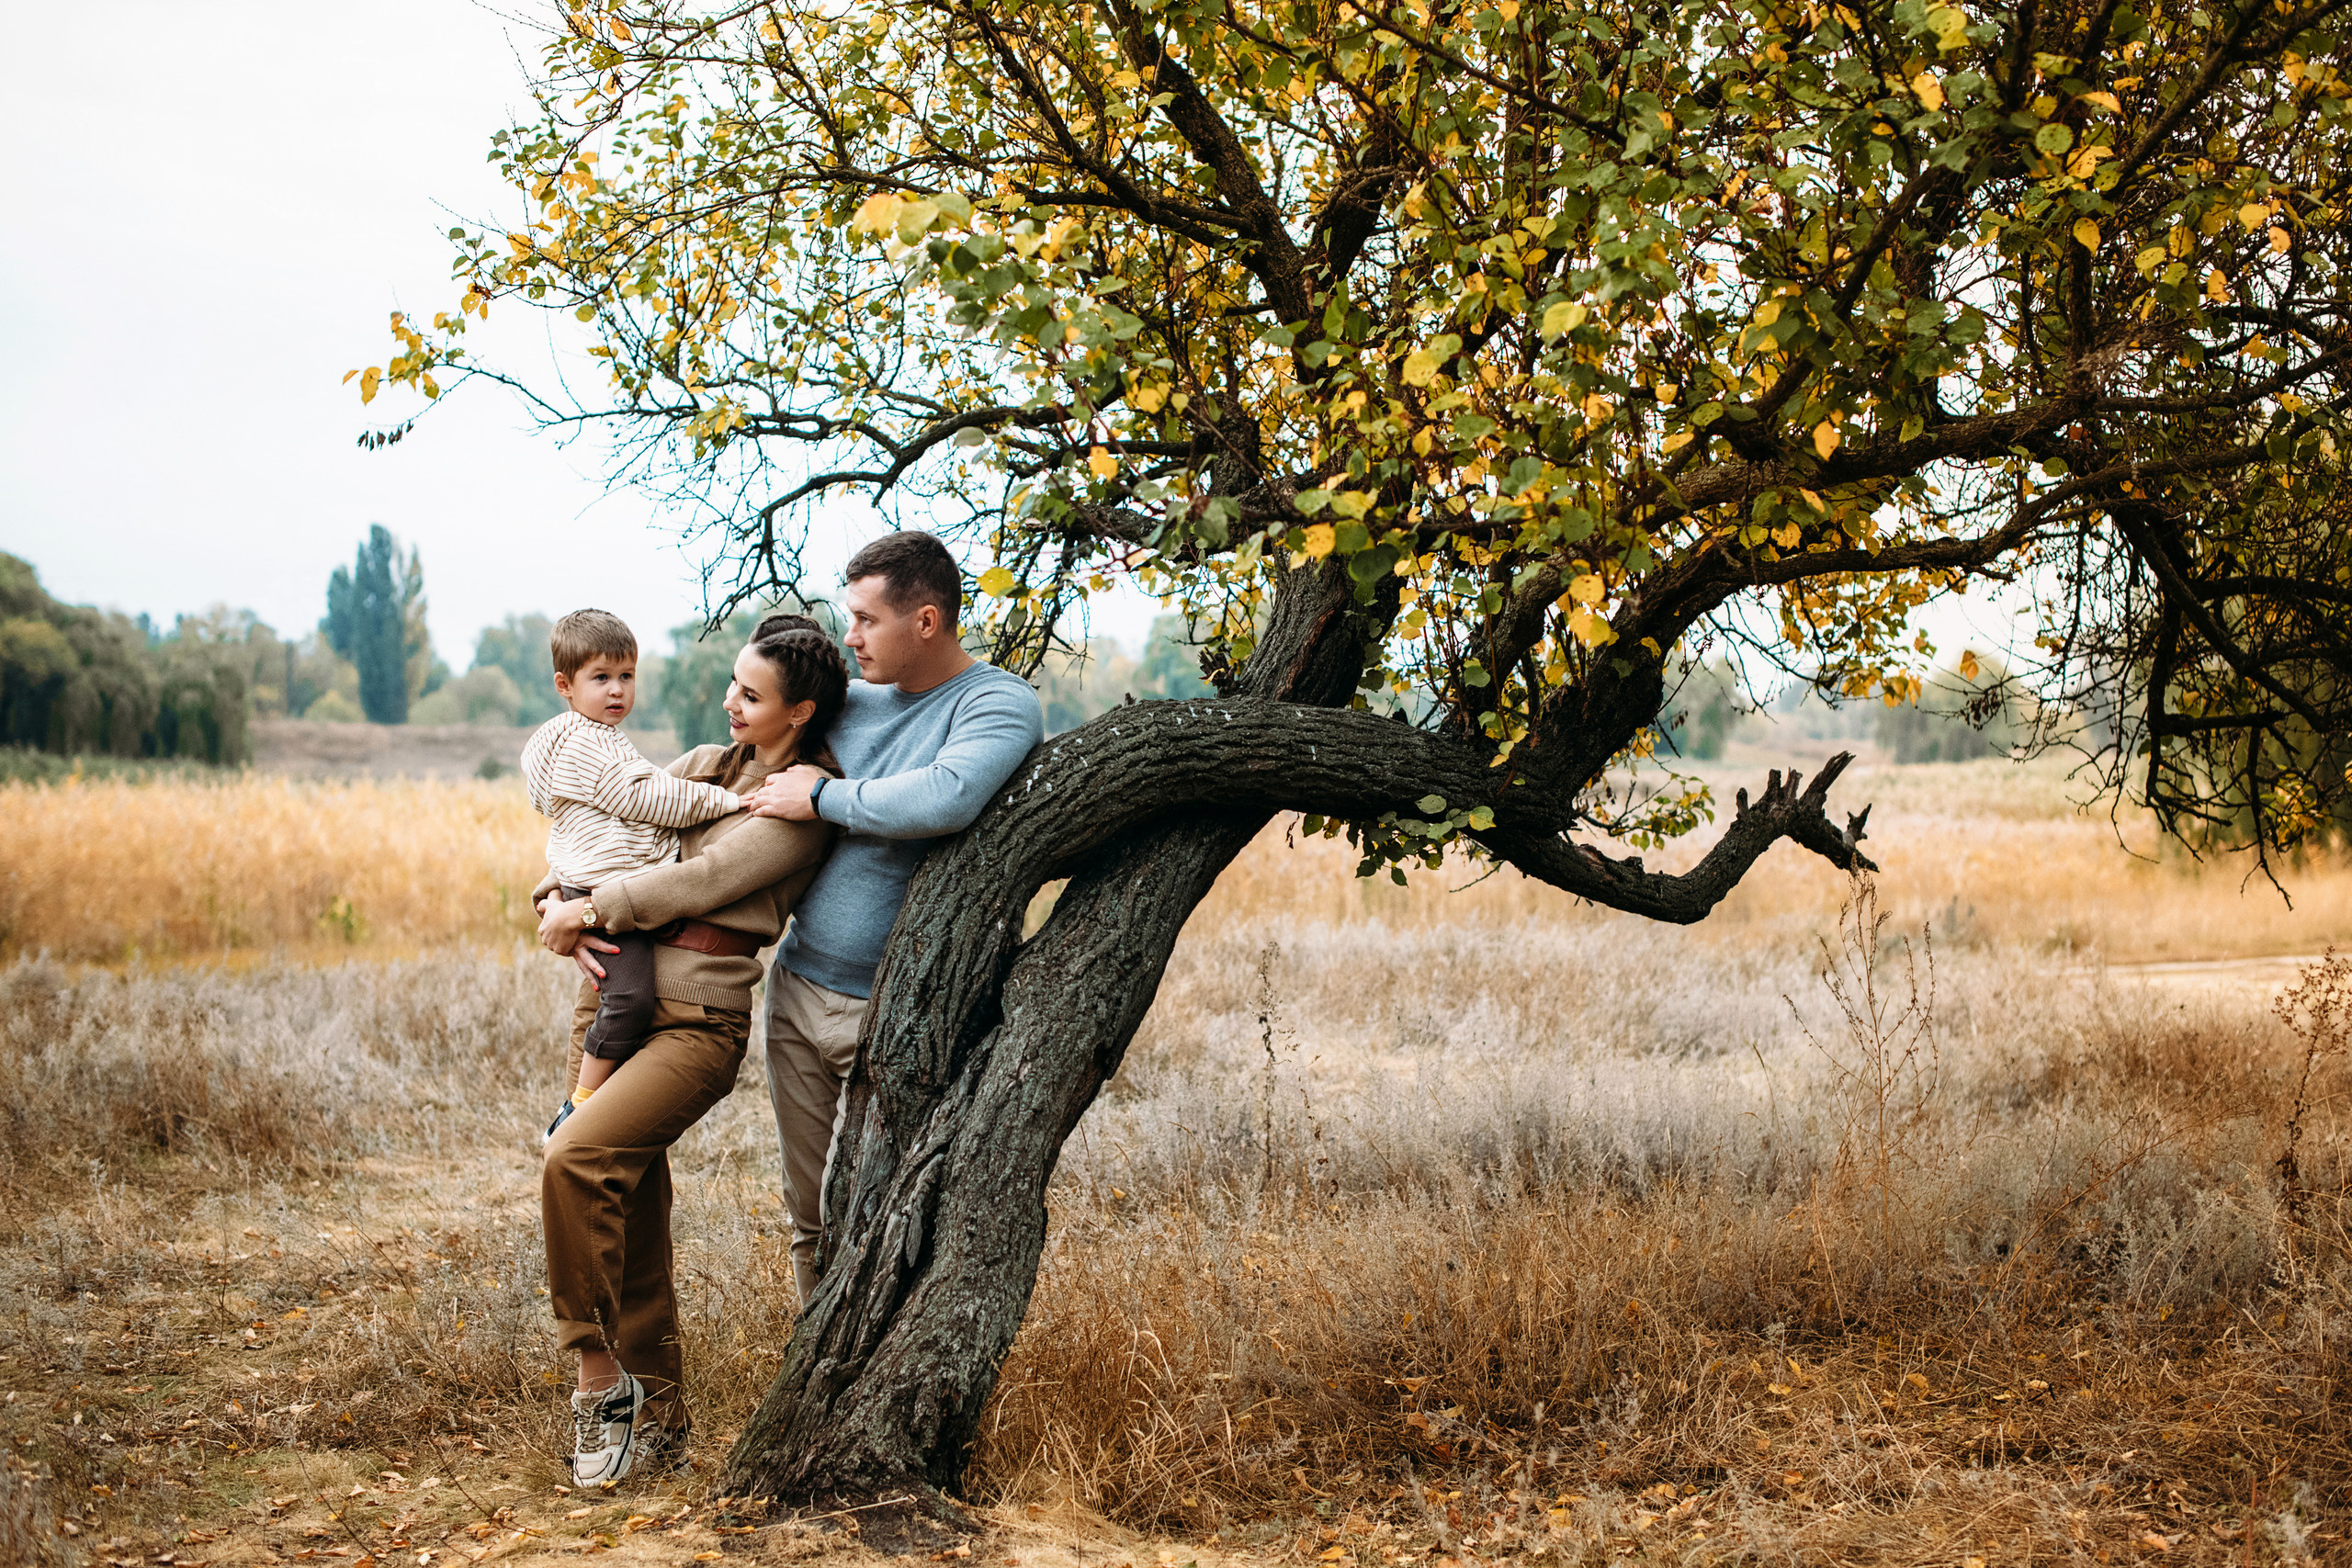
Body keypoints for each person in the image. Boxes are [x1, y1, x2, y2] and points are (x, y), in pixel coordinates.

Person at [533, 620, 848, 1486]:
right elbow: (603, 819)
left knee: (575, 1157)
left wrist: (592, 911)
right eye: (731, 684)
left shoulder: (804, 799)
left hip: (697, 1021)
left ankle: (598, 1381)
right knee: (627, 1201)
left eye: (751, 694)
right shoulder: (708, 763)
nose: (729, 702)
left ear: (801, 711)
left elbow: (702, 882)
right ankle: (660, 1417)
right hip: (608, 1004)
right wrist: (550, 898)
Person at [740, 531, 1045, 1304]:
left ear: (928, 621)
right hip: (798, 986)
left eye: (867, 620)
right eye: (848, 617)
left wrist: (823, 796)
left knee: (883, 1203)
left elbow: (944, 797)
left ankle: (874, 1362)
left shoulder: (995, 703)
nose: (850, 636)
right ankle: (811, 1373)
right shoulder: (849, 705)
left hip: (892, 1009)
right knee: (806, 1206)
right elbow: (747, 750)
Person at [520, 609, 744, 1143]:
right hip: (603, 890)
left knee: (618, 996)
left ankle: (592, 1102)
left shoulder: (577, 737)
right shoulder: (589, 745)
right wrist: (730, 801)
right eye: (600, 678)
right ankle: (580, 1107)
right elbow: (646, 796)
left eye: (627, 676)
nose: (617, 690)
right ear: (565, 686)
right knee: (629, 999)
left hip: (592, 884)